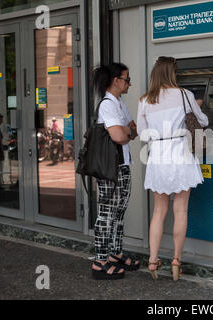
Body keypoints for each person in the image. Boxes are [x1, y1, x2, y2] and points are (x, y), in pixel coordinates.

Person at [137, 56, 209, 281]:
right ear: (172, 73)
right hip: (180, 152)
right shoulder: (185, 95)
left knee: (158, 211)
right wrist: (197, 106)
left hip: (158, 154)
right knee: (181, 209)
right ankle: (176, 261)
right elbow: (204, 121)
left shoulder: (144, 100)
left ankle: (152, 260)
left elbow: (142, 132)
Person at [91, 63, 140, 280]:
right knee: (106, 214)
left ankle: (115, 254)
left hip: (122, 164)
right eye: (127, 79)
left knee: (119, 212)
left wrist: (127, 131)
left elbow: (132, 128)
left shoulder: (120, 103)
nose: (129, 83)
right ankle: (100, 261)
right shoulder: (107, 105)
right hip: (109, 169)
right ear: (115, 80)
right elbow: (119, 136)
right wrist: (128, 131)